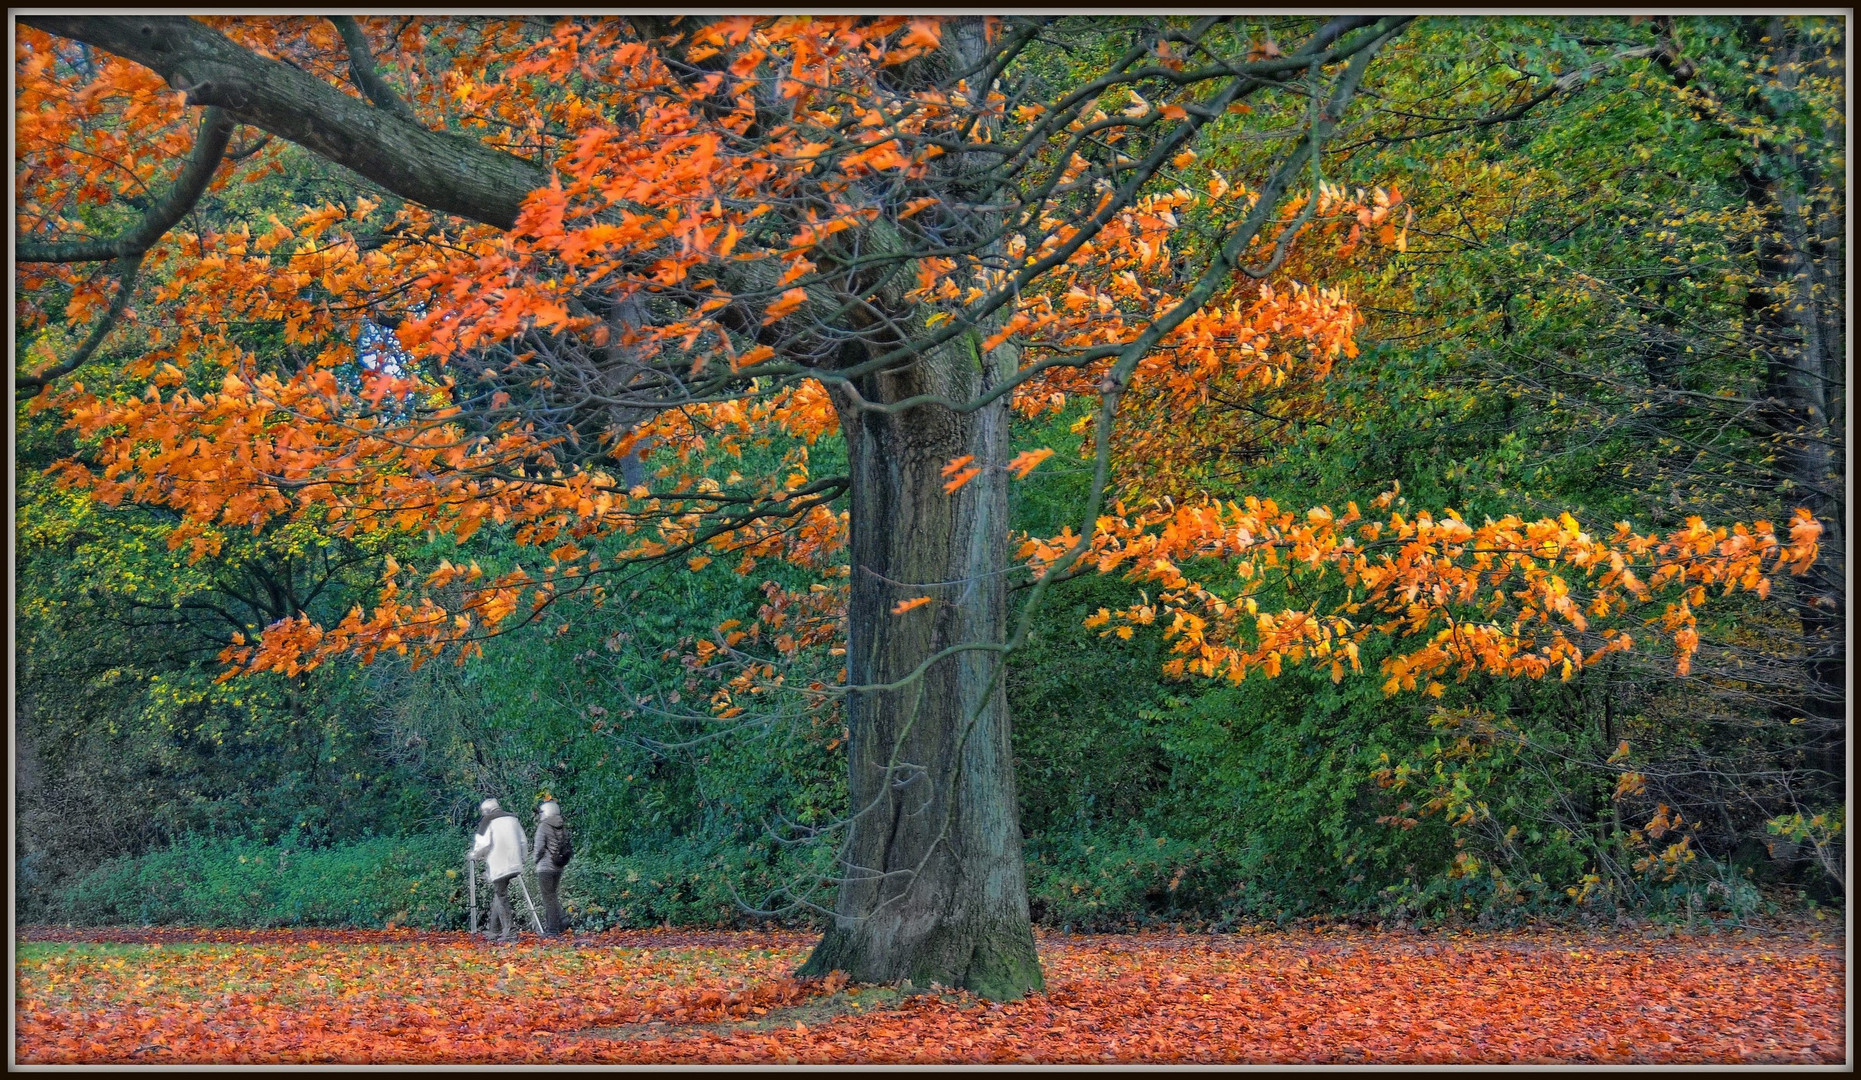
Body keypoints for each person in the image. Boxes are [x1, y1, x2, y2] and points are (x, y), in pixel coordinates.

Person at [468, 797, 528, 943]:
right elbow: (523, 841)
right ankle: (494, 930)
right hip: (515, 862)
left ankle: (510, 931)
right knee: (499, 892)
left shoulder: (487, 820)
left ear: (487, 811)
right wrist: (523, 858)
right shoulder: (513, 818)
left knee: (501, 895)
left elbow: (482, 844)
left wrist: (474, 855)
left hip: (499, 864)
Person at [532, 799, 573, 936]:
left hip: (545, 866)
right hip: (558, 866)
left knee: (548, 897)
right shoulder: (561, 826)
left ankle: (552, 929)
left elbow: (539, 848)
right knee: (553, 895)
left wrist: (535, 861)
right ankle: (561, 921)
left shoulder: (543, 826)